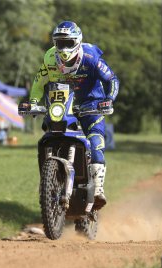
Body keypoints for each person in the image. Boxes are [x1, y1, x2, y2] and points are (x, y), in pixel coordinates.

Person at [29, 21, 119, 208]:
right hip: (61, 107)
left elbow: (112, 79)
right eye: (60, 43)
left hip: (92, 105)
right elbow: (39, 83)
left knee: (96, 142)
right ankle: (48, 184)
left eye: (69, 43)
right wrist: (33, 103)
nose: (64, 48)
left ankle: (98, 190)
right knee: (47, 138)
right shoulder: (50, 58)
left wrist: (109, 99)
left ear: (77, 41)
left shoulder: (91, 58)